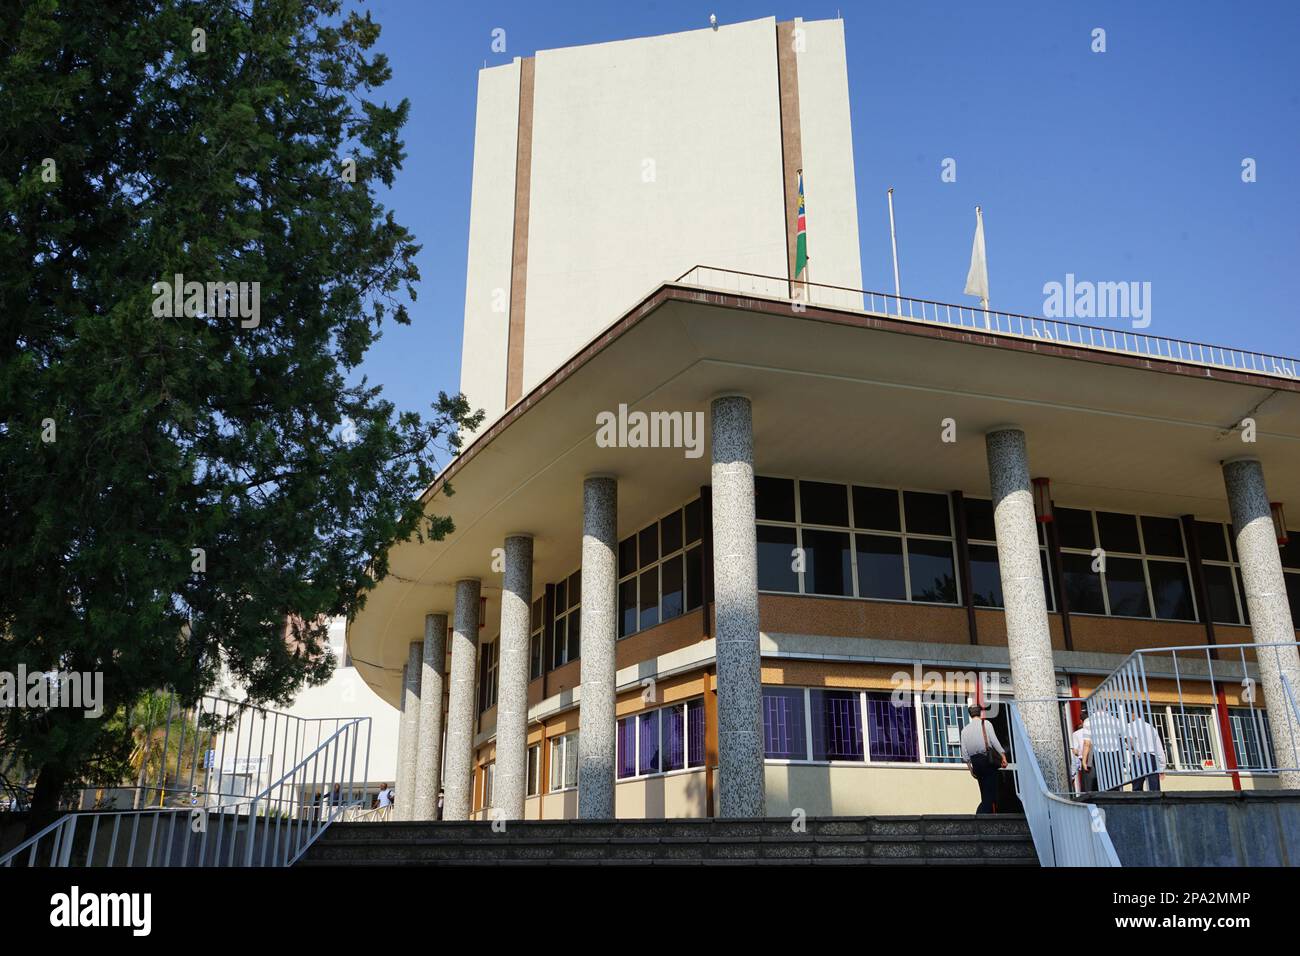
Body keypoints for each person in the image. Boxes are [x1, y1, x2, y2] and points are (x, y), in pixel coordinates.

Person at [960, 703, 1007, 813]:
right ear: (980, 712)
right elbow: (994, 741)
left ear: (970, 715)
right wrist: (1003, 756)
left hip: (976, 763)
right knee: (991, 792)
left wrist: (971, 770)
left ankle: (986, 816)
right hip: (987, 761)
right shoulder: (986, 724)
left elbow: (965, 754)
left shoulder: (964, 731)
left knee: (984, 791)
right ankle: (980, 815)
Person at [1081, 706, 1125, 792]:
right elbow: (1122, 737)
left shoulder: (1088, 721)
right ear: (1105, 706)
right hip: (1114, 753)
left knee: (1101, 781)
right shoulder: (1115, 720)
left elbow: (1087, 743)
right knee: (1115, 781)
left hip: (1099, 753)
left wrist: (1084, 760)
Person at [1126, 710, 1167, 791]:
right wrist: (1162, 767)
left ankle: (1139, 803)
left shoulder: (1129, 726)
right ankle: (1155, 802)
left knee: (1137, 787)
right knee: (1154, 788)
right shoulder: (1151, 728)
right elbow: (1159, 748)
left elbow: (1128, 741)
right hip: (1152, 758)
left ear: (1133, 714)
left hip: (1138, 757)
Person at [1070, 717, 1091, 795]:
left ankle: (1074, 794)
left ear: (1081, 721)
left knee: (1072, 776)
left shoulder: (1076, 733)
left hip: (1081, 758)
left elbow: (1075, 751)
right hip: (1093, 756)